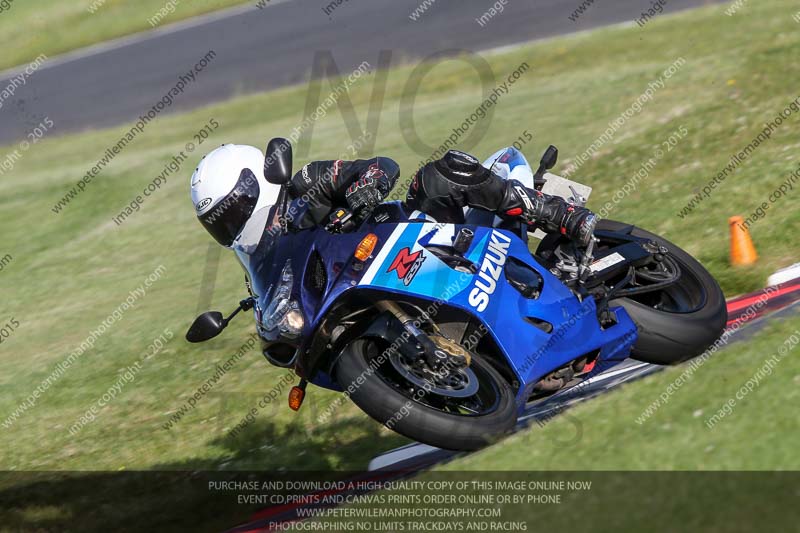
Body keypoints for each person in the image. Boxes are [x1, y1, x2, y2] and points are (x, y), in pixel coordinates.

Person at [189, 145, 596, 251]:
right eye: (219, 223)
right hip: (368, 282)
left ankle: (559, 213)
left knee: (436, 177)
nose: (232, 222)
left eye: (233, 209)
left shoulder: (307, 183)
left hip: (414, 234)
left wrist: (366, 188)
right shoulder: (265, 259)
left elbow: (382, 165)